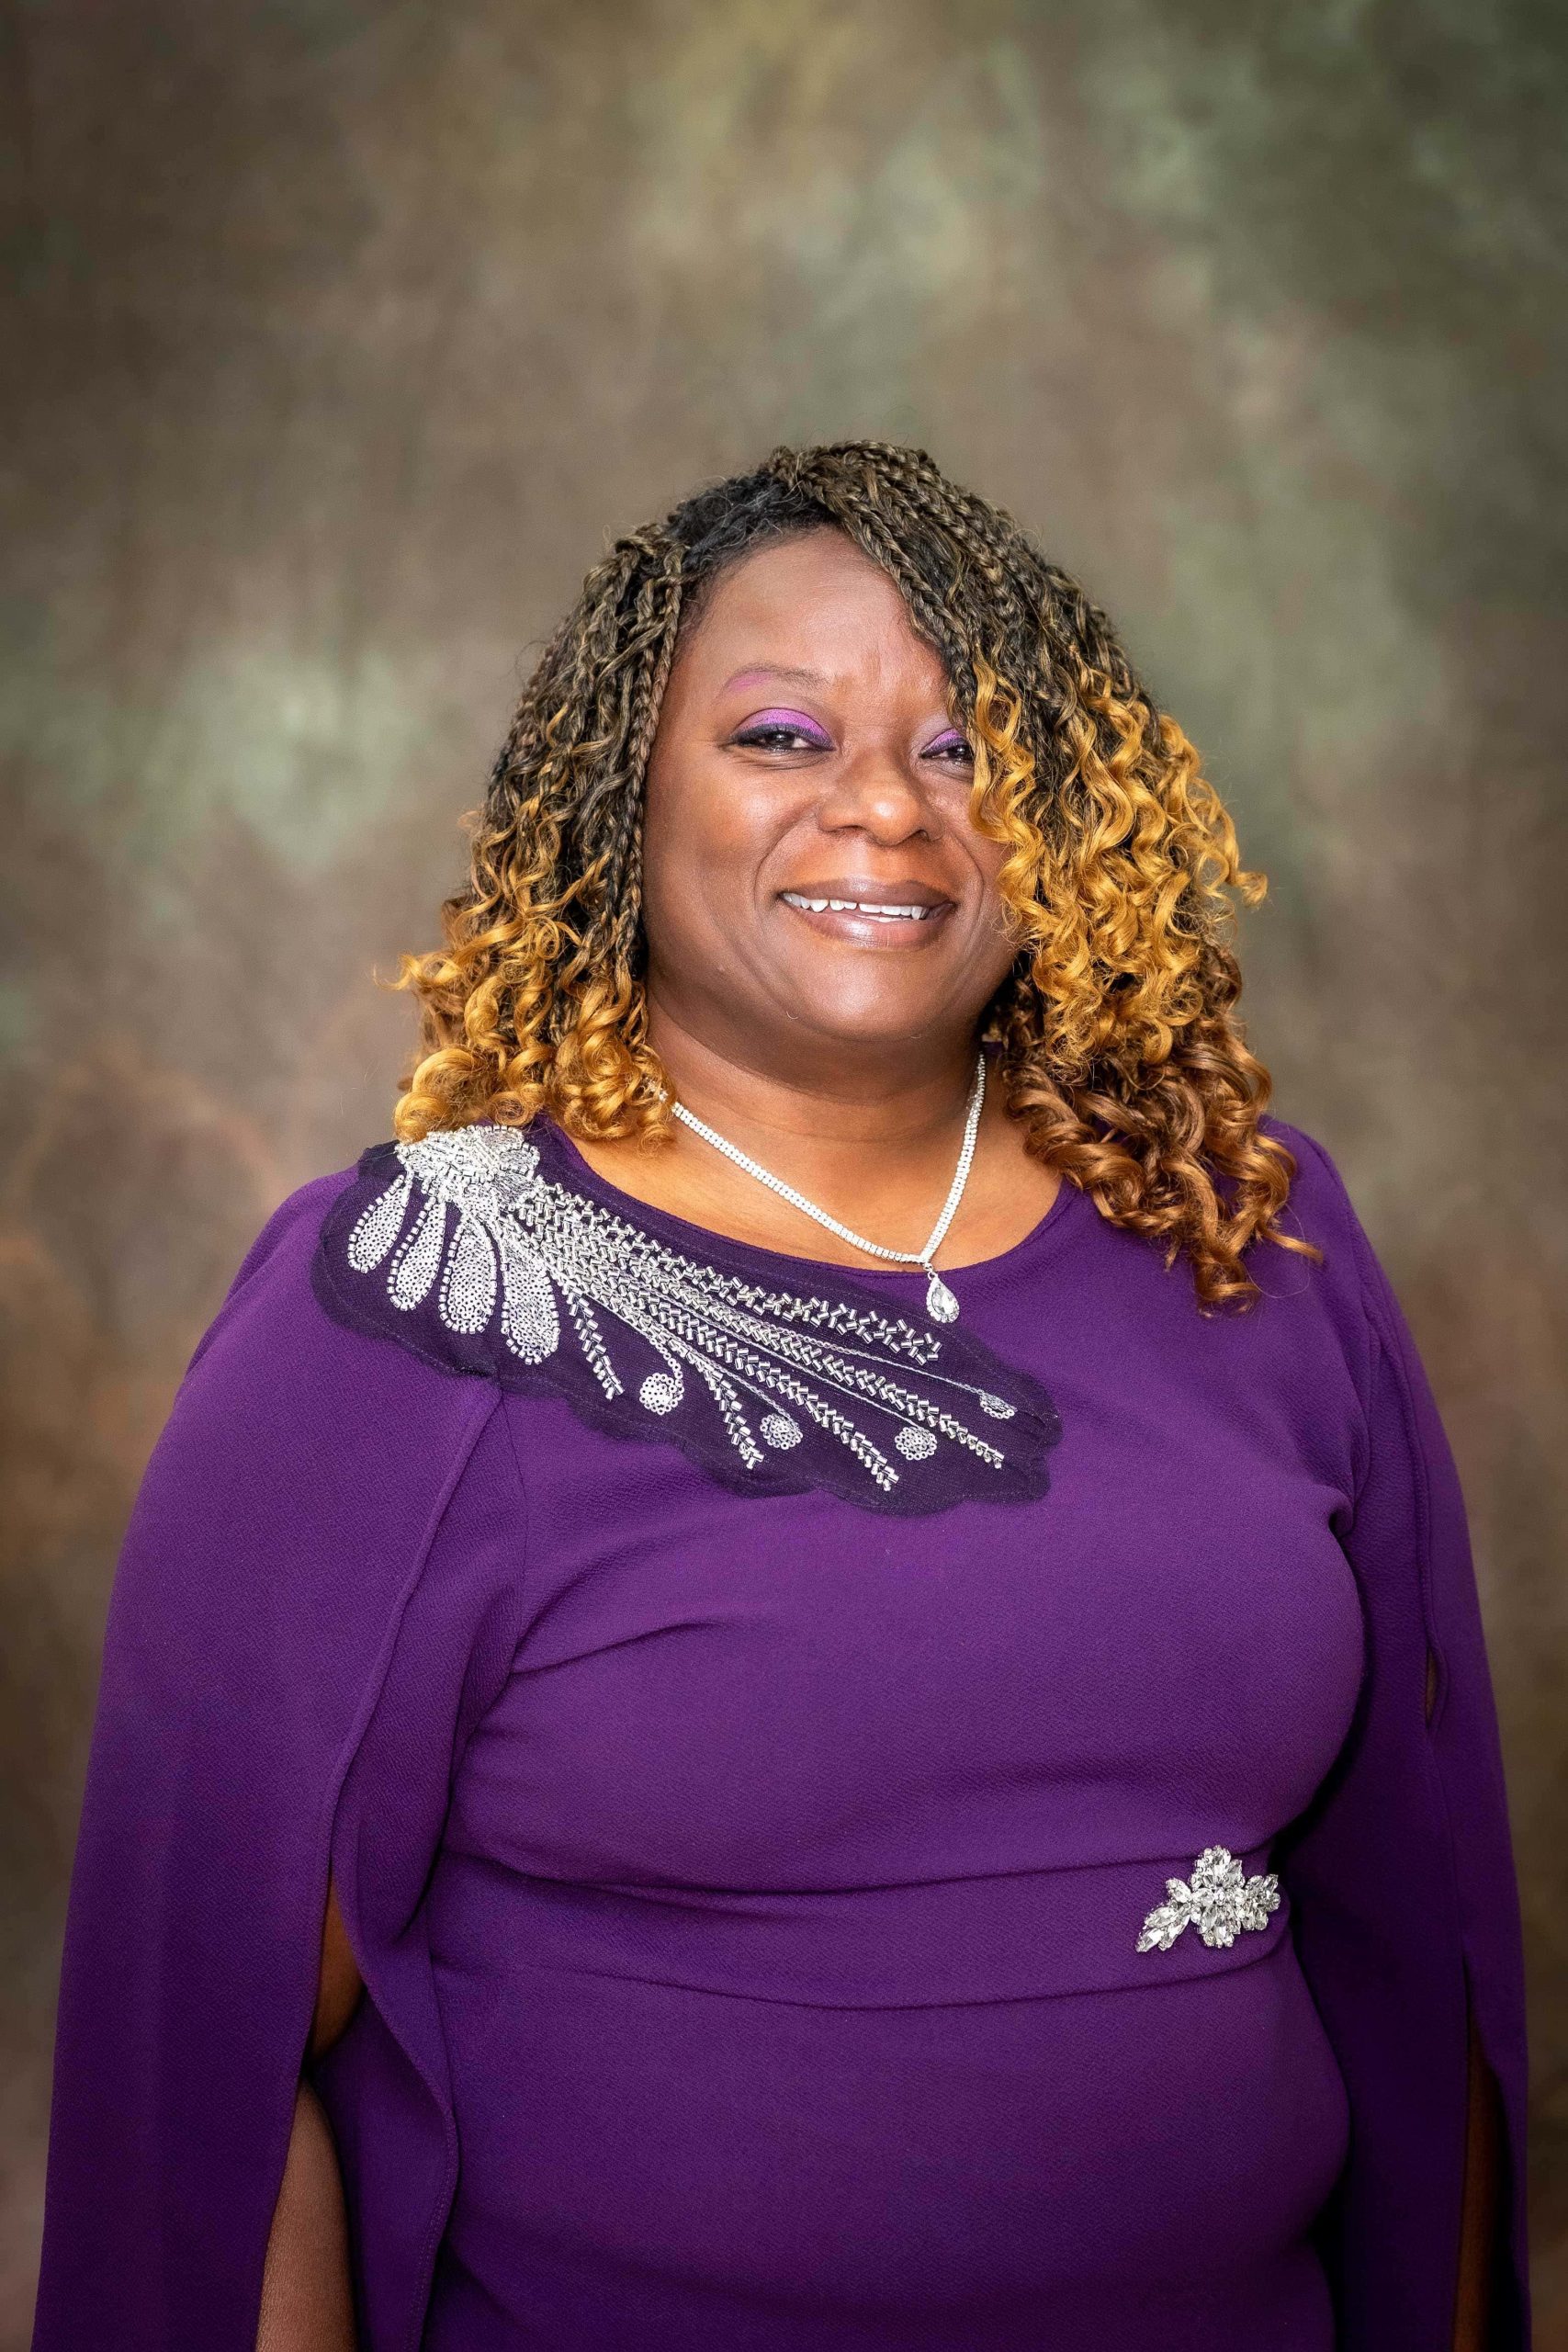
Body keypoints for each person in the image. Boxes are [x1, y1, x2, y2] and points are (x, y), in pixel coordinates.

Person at [31, 442, 1529, 2352]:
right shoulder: (408, 1300)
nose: (883, 807)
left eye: (964, 747)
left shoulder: (1248, 1232)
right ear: (621, 797)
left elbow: (1417, 1947)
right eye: (778, 736)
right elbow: (216, 2071)